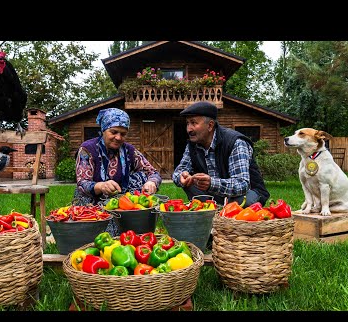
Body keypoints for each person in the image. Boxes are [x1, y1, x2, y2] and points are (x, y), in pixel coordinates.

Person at [73, 107, 162, 236]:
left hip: (120, 200)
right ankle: (94, 228)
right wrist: (101, 186)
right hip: (94, 202)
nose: (118, 138)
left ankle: (132, 224)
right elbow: (82, 183)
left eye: (123, 134)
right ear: (104, 129)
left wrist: (152, 182)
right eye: (113, 132)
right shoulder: (87, 149)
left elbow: (152, 172)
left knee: (141, 177)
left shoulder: (128, 150)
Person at [172, 101, 270, 208]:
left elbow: (242, 184)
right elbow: (178, 171)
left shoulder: (235, 142)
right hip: (214, 193)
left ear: (210, 125)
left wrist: (211, 183)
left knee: (241, 201)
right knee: (189, 185)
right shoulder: (193, 144)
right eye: (187, 123)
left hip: (247, 193)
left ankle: (217, 209)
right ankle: (213, 209)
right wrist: (182, 177)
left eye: (194, 123)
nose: (189, 129)